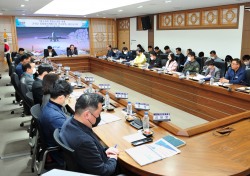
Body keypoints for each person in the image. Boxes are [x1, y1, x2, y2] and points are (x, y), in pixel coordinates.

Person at [60, 93, 120, 176]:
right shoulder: (84, 141)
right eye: (98, 113)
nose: (99, 116)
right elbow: (103, 172)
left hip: (85, 164)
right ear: (87, 114)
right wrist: (113, 158)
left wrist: (104, 151)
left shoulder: (68, 122)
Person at [40, 80, 73, 165]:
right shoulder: (54, 117)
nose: (68, 99)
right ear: (61, 97)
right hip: (61, 153)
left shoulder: (50, 105)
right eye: (68, 97)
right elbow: (71, 138)